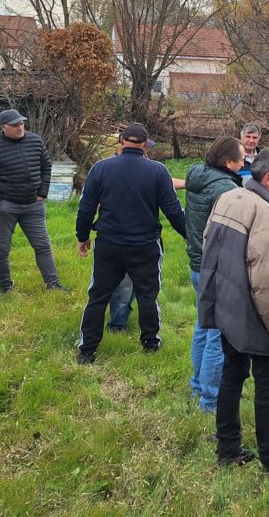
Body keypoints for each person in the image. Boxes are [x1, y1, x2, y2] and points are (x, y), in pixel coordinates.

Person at [198, 148, 269, 473]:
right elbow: (267, 281)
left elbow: (208, 244)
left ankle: (227, 448)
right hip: (254, 315)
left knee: (232, 373)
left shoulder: (229, 197)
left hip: (227, 308)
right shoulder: (265, 214)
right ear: (267, 178)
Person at [75, 122, 186, 364]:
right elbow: (174, 211)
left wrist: (82, 237)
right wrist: (191, 237)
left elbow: (85, 208)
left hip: (109, 244)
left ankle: (87, 351)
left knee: (98, 296)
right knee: (147, 295)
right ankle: (150, 343)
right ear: (145, 145)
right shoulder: (158, 171)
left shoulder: (100, 168)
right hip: (145, 246)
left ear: (121, 142)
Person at [0, 108, 65, 293]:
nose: (20, 127)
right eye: (15, 125)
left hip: (33, 205)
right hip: (6, 207)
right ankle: (5, 287)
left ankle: (53, 285)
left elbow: (46, 166)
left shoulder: (35, 141)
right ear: (3, 127)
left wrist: (42, 193)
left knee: (42, 245)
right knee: (1, 249)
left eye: (21, 123)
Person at [184, 136, 245, 413]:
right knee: (217, 336)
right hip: (216, 268)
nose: (244, 164)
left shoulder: (197, 175)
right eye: (241, 160)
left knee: (202, 326)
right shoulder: (226, 189)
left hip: (197, 264)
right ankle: (210, 400)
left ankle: (197, 385)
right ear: (228, 162)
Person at [106, 133, 184, 332]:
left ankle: (131, 321)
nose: (146, 150)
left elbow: (164, 182)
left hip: (143, 237)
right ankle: (118, 325)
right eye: (144, 146)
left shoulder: (149, 168)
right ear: (121, 144)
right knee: (123, 286)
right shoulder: (110, 168)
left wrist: (188, 182)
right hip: (121, 237)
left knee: (137, 284)